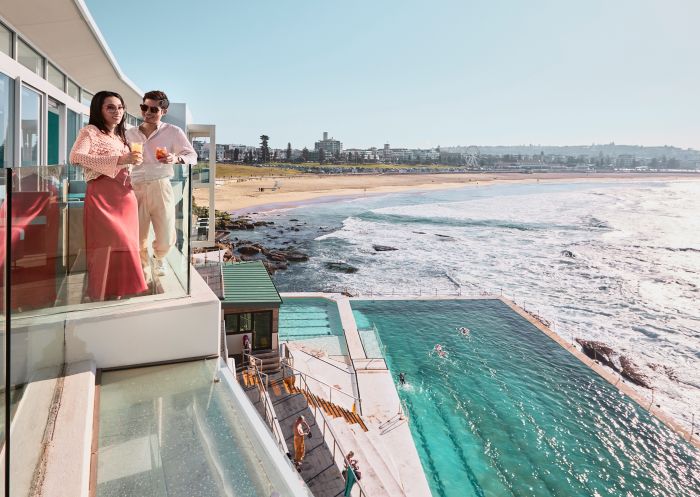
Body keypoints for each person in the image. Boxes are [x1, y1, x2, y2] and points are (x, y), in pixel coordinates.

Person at [70, 91, 147, 301]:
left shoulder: (121, 136)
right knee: (106, 246)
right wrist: (121, 159)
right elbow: (75, 157)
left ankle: (121, 291)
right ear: (99, 110)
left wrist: (130, 162)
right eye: (110, 107)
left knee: (127, 245)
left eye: (120, 107)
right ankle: (102, 291)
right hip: (102, 196)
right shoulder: (90, 131)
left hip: (125, 196)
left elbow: (125, 163)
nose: (117, 112)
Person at [125, 90, 197, 279]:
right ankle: (144, 268)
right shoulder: (129, 133)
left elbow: (193, 156)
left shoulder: (173, 132)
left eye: (153, 109)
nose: (147, 112)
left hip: (161, 186)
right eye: (144, 107)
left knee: (165, 236)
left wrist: (175, 158)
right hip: (135, 187)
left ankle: (159, 257)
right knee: (138, 236)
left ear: (163, 111)